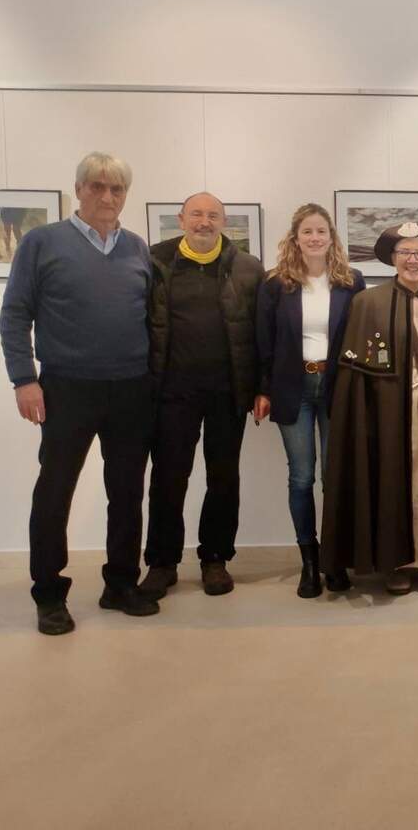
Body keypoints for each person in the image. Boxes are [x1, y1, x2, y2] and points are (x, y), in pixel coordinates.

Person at [0, 152, 157, 634]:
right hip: (66, 388)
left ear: (125, 195)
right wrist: (24, 379)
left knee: (127, 491)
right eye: (97, 186)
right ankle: (49, 594)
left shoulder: (136, 248)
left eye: (117, 189)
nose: (107, 197)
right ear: (79, 190)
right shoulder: (42, 242)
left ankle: (121, 583)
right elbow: (14, 314)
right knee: (55, 491)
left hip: (131, 387)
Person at [320, 222, 418, 594]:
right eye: (405, 252)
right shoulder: (367, 303)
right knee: (392, 478)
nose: (413, 259)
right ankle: (395, 562)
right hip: (388, 414)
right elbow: (354, 372)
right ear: (392, 258)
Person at [140, 193, 264, 599]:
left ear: (224, 222)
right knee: (168, 478)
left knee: (223, 478)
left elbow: (261, 333)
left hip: (228, 392)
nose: (204, 222)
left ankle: (215, 559)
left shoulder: (248, 268)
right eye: (196, 214)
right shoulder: (155, 262)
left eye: (213, 215)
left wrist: (261, 387)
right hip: (172, 392)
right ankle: (162, 563)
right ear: (181, 219)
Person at [254, 203, 365, 597]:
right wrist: (262, 389)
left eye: (321, 231)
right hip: (292, 387)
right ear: (295, 238)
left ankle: (335, 560)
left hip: (337, 387)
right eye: (307, 232)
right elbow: (263, 342)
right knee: (301, 477)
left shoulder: (351, 281)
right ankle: (310, 561)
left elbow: (361, 337)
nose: (315, 238)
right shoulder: (276, 283)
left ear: (331, 237)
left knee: (334, 477)